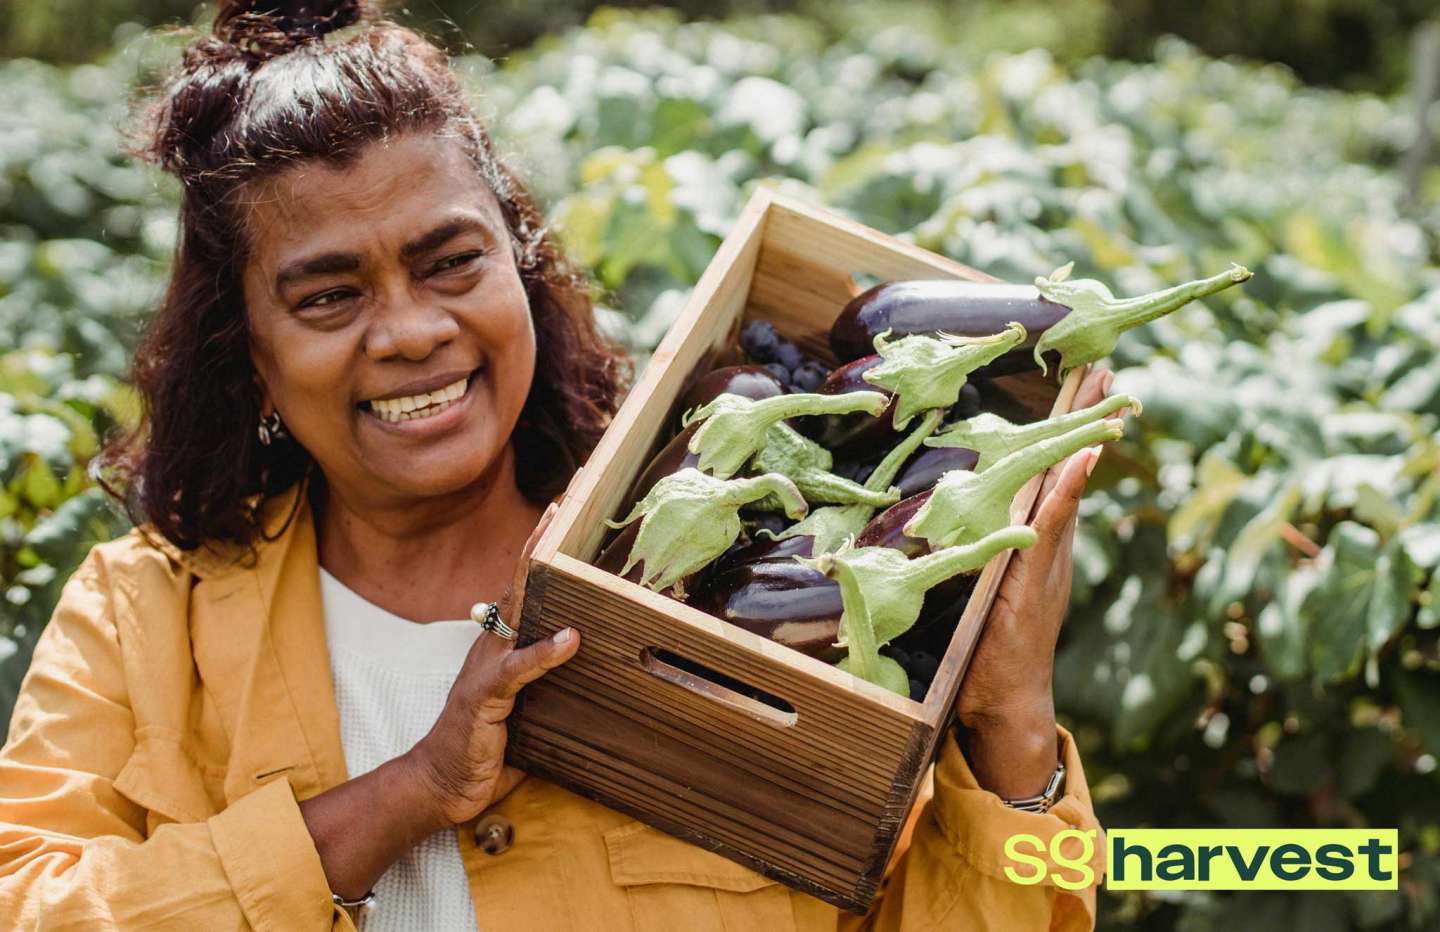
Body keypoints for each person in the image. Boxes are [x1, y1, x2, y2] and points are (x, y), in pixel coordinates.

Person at [0, 2, 1109, 928]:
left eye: (451, 261)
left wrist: (1011, 722)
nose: (409, 331)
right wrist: (409, 794)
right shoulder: (142, 619)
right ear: (248, 351)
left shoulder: (736, 563)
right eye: (329, 294)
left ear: (523, 269)